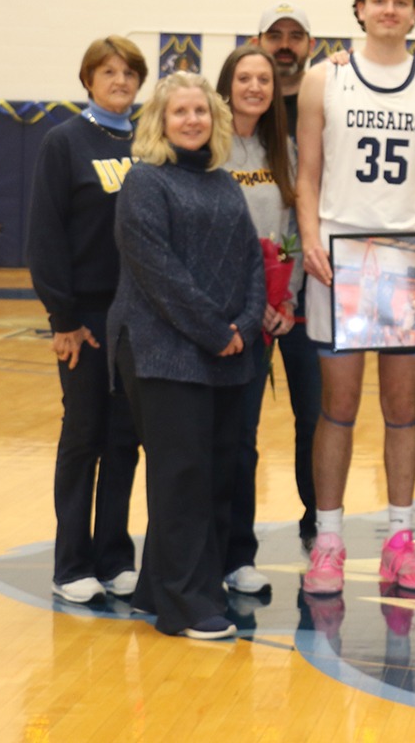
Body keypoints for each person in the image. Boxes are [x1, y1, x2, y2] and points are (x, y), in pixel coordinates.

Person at [295, 0, 415, 594]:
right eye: (379, 1)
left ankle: (400, 539)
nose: (390, 10)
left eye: (402, 2)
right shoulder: (323, 79)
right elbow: (307, 174)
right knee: (336, 410)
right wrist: (311, 237)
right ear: (359, 9)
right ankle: (330, 541)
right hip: (338, 257)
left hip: (406, 259)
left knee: (401, 410)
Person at [109, 73, 265, 640]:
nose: (193, 120)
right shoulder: (145, 182)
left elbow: (252, 259)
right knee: (182, 477)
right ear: (160, 121)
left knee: (217, 471)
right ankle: (184, 605)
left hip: (224, 350)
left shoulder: (223, 182)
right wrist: (214, 330)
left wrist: (244, 326)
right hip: (162, 351)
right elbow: (157, 272)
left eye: (201, 111)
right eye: (181, 112)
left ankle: (161, 585)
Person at [29, 36, 147, 603]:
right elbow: (46, 235)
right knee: (84, 435)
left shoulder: (151, 143)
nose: (119, 80)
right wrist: (64, 318)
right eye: (108, 71)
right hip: (87, 316)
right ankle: (71, 562)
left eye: (128, 72)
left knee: (125, 437)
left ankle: (114, 555)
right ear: (88, 80)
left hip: (141, 316)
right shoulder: (64, 142)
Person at [214, 45, 303, 596]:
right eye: (244, 78)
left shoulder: (283, 150)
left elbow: (291, 230)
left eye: (263, 79)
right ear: (227, 85)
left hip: (264, 321)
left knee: (242, 441)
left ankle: (237, 555)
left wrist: (284, 300)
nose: (254, 87)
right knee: (203, 440)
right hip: (212, 320)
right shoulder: (205, 147)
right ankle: (195, 550)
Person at [256, 5, 325, 542]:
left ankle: (318, 523)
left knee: (316, 418)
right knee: (236, 425)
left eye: (294, 36)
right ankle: (234, 531)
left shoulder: (328, 98)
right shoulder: (236, 108)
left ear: (310, 44)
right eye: (275, 36)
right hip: (248, 301)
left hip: (314, 288)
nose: (284, 45)